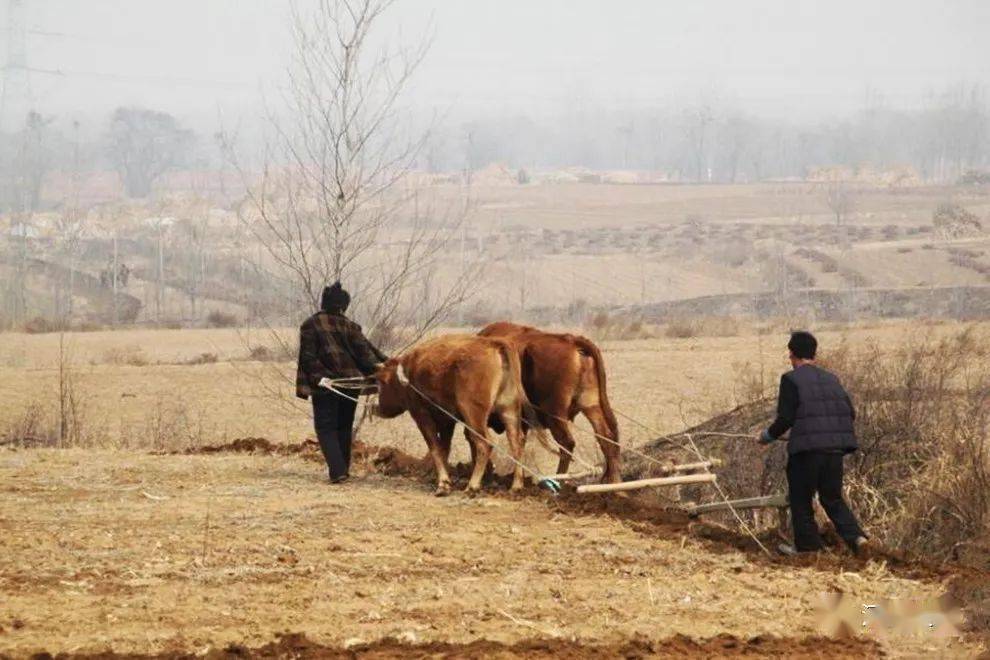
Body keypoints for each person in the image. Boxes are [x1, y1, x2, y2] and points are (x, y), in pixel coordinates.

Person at [759, 331, 869, 556]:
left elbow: (786, 418)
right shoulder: (831, 379)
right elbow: (849, 412)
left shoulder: (790, 379)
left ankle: (809, 551)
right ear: (813, 353)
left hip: (806, 453)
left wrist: (767, 437)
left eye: (789, 355)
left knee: (801, 500)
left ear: (792, 354)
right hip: (835, 451)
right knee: (832, 499)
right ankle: (858, 539)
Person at [296, 282, 388, 483]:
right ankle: (343, 470)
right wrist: (389, 364)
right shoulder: (351, 326)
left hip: (327, 385)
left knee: (326, 428)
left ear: (324, 303)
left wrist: (319, 378)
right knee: (344, 426)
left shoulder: (311, 324)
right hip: (351, 384)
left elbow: (308, 358)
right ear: (344, 306)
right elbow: (368, 354)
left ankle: (338, 472)